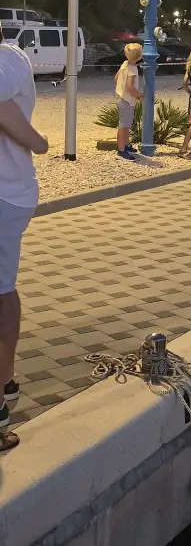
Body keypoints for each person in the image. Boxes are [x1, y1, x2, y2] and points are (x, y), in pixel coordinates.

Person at [0, 26, 49, 450]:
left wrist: (34, 138)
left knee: (0, 294)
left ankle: (0, 394)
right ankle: (6, 381)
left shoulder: (10, 57)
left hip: (4, 194)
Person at [114, 42, 143, 160]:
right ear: (139, 56)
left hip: (121, 98)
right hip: (127, 100)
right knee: (123, 125)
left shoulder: (124, 64)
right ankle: (121, 149)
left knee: (126, 124)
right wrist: (139, 96)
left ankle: (125, 145)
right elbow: (130, 87)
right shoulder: (133, 69)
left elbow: (115, 78)